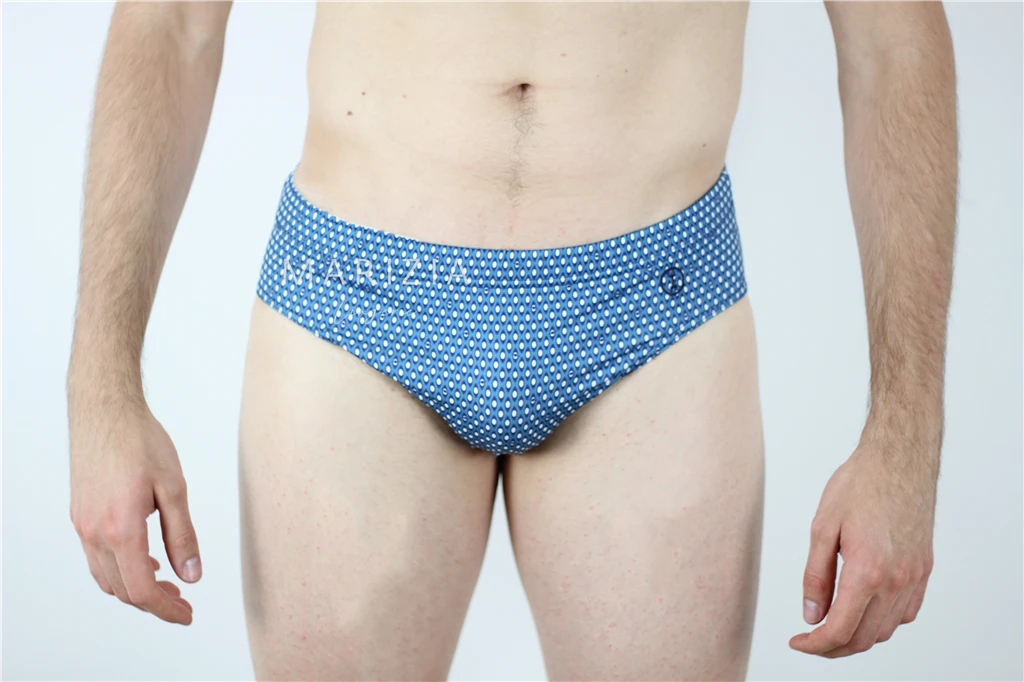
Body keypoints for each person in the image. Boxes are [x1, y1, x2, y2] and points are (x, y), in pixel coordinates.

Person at [66, 1, 956, 679]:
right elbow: (170, 22)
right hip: (359, 294)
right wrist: (100, 385)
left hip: (651, 301)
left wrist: (906, 438)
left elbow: (893, 42)